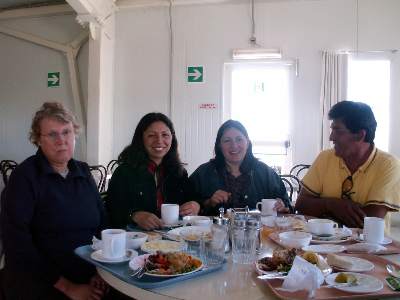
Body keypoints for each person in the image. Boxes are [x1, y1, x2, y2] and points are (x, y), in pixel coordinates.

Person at [1, 102, 108, 299]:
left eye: (66, 132)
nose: (61, 141)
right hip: (41, 284)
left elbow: (102, 223)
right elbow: (16, 243)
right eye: (52, 134)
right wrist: (69, 288)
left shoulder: (82, 171)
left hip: (86, 275)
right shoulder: (25, 177)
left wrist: (98, 271)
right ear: (38, 140)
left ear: (74, 134)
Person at [295, 101, 400, 228]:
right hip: (322, 245)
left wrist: (321, 209)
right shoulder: (325, 157)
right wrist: (332, 205)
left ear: (360, 135)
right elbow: (301, 205)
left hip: (369, 246)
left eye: (337, 130)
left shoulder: (388, 165)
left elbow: (368, 220)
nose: (331, 137)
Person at [107, 112, 200, 230]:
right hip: (137, 239)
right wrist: (134, 216)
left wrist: (195, 205)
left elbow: (194, 198)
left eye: (165, 135)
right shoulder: (124, 172)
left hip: (174, 238)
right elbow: (112, 209)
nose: (159, 141)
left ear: (172, 137)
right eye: (152, 135)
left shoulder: (179, 173)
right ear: (141, 138)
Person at [189, 119, 292, 216]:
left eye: (239, 139)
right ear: (219, 146)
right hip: (213, 233)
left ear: (247, 143)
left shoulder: (265, 173)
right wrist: (208, 202)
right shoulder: (203, 173)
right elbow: (185, 205)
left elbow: (287, 204)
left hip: (258, 233)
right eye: (227, 140)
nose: (234, 145)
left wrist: (282, 206)